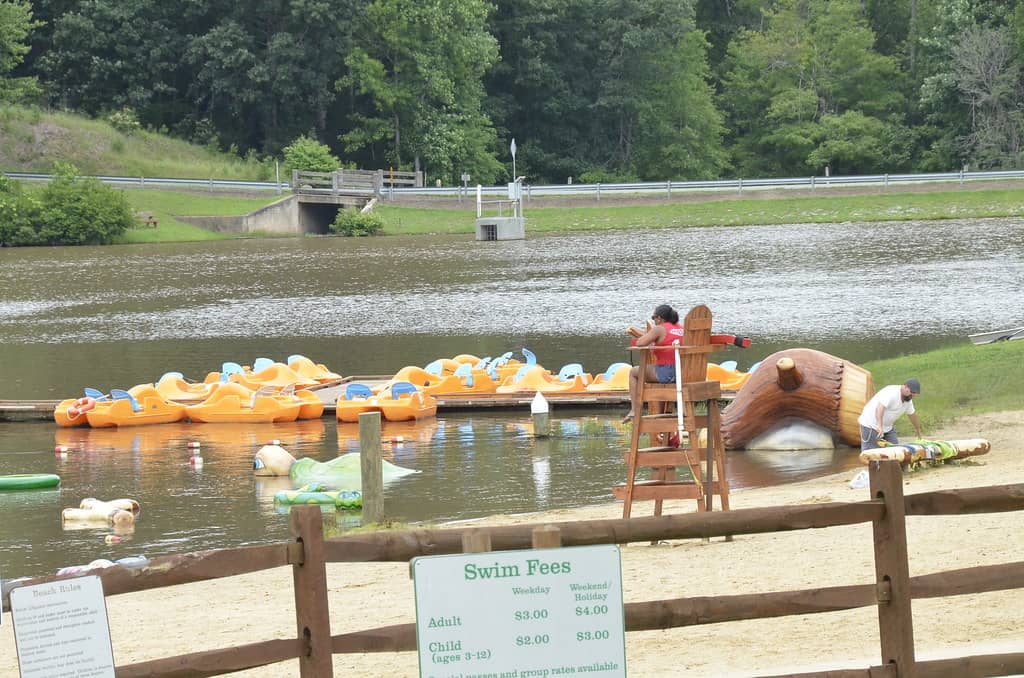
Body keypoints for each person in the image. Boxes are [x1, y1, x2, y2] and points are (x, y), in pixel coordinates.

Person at [622, 304, 685, 423]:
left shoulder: (659, 328)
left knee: (634, 372)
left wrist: (650, 337)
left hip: (668, 373)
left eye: (653, 317)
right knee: (651, 368)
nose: (654, 320)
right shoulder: (681, 328)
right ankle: (661, 415)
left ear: (659, 318)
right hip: (684, 373)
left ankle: (634, 410)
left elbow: (640, 342)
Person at [857, 378, 923, 451]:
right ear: (905, 386)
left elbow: (912, 415)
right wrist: (879, 426)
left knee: (896, 451)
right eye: (911, 392)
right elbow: (880, 408)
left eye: (914, 394)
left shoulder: (908, 400)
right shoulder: (891, 392)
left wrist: (917, 429)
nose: (912, 396)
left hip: (887, 427)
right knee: (871, 453)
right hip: (871, 425)